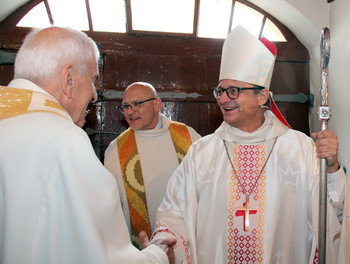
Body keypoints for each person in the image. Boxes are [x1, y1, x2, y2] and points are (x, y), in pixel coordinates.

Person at [150, 25, 347, 264]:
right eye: (220, 91)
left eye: (233, 91)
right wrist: (163, 246)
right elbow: (174, 211)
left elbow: (334, 214)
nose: (223, 99)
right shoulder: (202, 153)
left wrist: (333, 168)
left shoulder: (301, 150)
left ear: (262, 97)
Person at [0, 26, 176, 264]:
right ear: (68, 78)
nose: (94, 95)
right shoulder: (66, 141)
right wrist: (157, 255)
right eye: (93, 80)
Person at [104, 81, 201, 248]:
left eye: (137, 104)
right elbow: (109, 209)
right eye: (125, 106)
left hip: (186, 241)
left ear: (157, 104)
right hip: (142, 248)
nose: (130, 111)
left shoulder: (187, 136)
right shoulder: (116, 150)